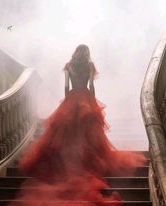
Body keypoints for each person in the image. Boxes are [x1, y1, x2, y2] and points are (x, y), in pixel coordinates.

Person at [20, 44, 145, 180]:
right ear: (87, 54)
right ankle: (88, 161)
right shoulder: (90, 66)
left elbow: (67, 85)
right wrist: (92, 100)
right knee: (89, 130)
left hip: (72, 97)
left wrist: (68, 101)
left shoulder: (68, 65)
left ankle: (66, 160)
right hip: (86, 97)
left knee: (69, 130)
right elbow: (91, 85)